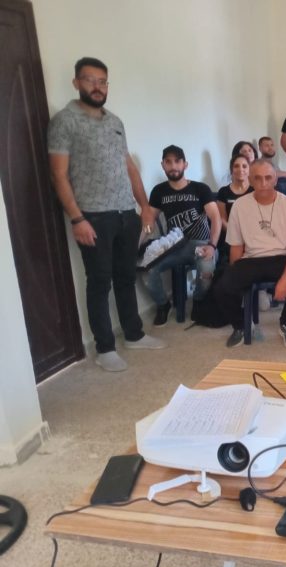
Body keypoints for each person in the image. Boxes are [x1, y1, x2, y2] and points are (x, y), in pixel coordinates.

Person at [48, 56, 165, 372]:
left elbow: (129, 167)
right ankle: (105, 348)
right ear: (77, 83)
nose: (97, 87)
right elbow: (59, 175)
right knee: (99, 282)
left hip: (127, 213)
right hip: (94, 217)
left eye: (102, 82)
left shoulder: (115, 122)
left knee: (126, 276)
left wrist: (144, 207)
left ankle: (134, 334)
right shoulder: (64, 122)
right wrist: (77, 218)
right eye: (90, 80)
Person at [214, 160, 286, 348]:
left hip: (283, 258)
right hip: (252, 259)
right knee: (222, 287)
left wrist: (285, 279)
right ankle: (241, 325)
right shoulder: (240, 206)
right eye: (257, 178)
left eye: (268, 178)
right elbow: (236, 246)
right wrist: (236, 275)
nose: (263, 183)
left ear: (275, 180)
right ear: (250, 180)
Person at [145, 145, 221, 325]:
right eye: (168, 162)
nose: (173, 166)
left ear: (185, 164)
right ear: (163, 165)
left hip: (202, 244)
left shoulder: (200, 189)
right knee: (147, 269)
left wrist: (212, 245)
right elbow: (149, 221)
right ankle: (163, 305)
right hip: (173, 246)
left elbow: (216, 218)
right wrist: (141, 245)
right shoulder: (159, 191)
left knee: (206, 271)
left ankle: (198, 300)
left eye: (177, 161)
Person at [217, 154, 253, 264]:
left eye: (244, 166)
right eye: (236, 166)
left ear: (249, 170)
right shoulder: (223, 192)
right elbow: (222, 219)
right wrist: (236, 235)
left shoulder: (255, 190)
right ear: (231, 170)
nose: (240, 169)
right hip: (231, 237)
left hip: (253, 236)